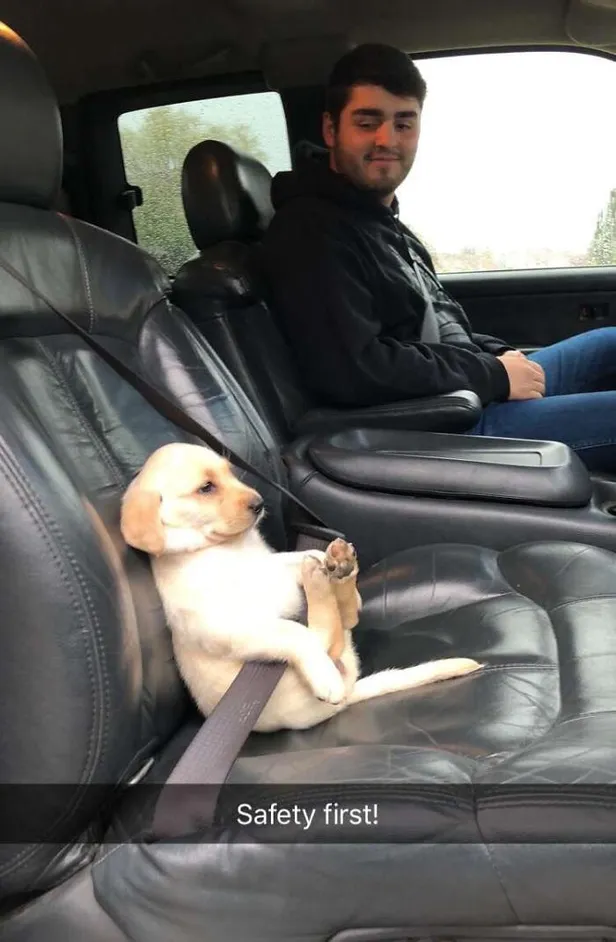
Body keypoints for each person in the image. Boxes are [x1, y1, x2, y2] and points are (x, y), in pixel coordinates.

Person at [261, 42, 616, 471]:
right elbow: (353, 370)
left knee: (608, 343)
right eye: (367, 122)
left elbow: (439, 324)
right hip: (439, 428)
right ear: (331, 130)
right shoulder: (310, 232)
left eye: (403, 123)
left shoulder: (378, 221)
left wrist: (501, 356)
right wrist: (493, 375)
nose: (387, 139)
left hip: (461, 394)